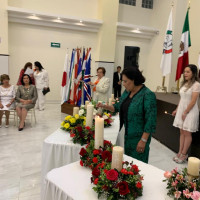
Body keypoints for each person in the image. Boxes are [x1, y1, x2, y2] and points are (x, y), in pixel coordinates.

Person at [97, 67, 157, 163]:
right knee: (129, 163)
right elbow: (117, 107)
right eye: (122, 81)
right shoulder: (127, 92)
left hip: (139, 138)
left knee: (139, 165)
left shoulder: (147, 95)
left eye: (125, 81)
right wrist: (104, 106)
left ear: (134, 80)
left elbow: (151, 121)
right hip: (127, 136)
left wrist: (143, 140)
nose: (123, 84)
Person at [172, 64, 200, 164]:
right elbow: (182, 99)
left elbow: (193, 101)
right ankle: (179, 152)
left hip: (190, 111)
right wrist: (177, 109)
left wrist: (185, 112)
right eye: (184, 72)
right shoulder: (184, 84)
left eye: (188, 72)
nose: (185, 74)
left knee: (187, 133)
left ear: (193, 73)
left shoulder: (196, 84)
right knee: (182, 132)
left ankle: (184, 154)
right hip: (182, 110)